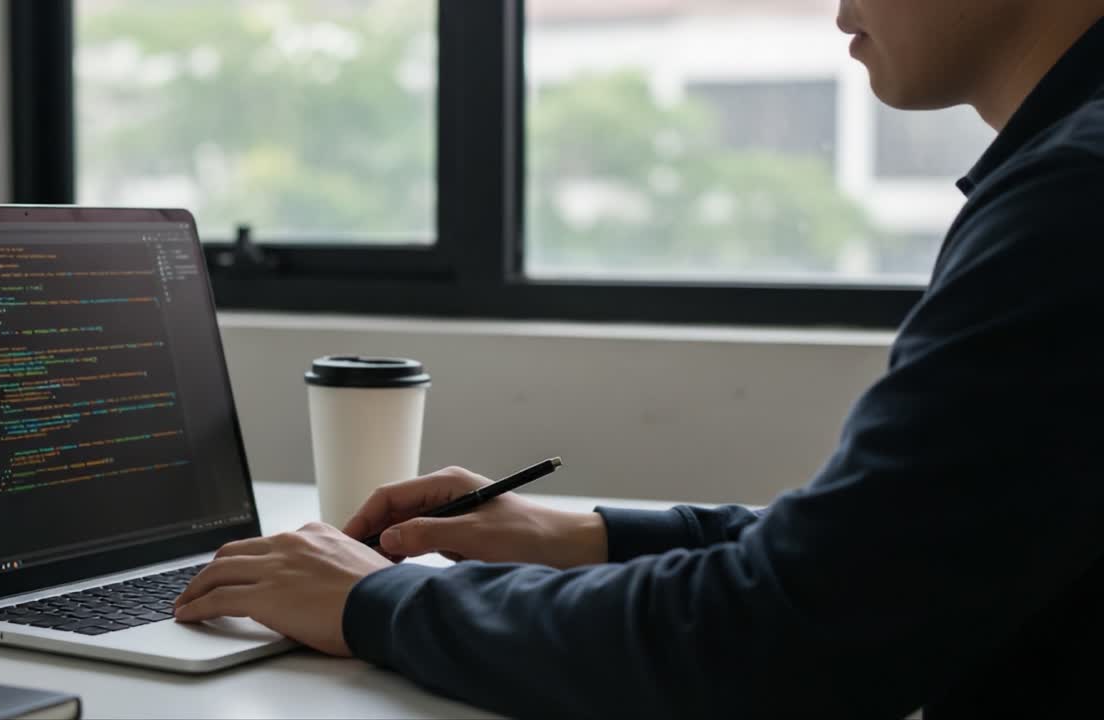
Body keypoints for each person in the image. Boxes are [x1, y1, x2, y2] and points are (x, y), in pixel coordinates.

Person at [172, 0, 1104, 716]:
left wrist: (378, 602)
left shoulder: (1072, 203)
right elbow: (887, 555)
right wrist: (590, 537)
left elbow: (782, 635)